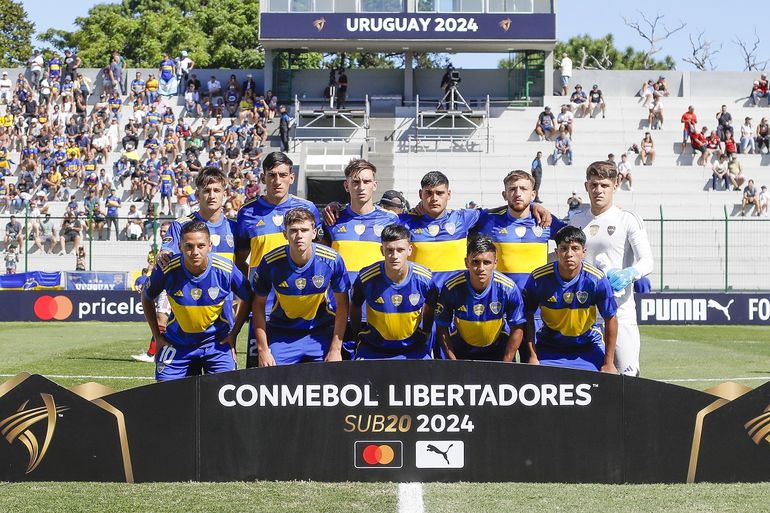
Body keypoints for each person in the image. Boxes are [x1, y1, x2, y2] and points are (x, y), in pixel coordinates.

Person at [235, 152, 321, 367]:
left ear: (292, 177)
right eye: (271, 175)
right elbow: (240, 257)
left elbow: (319, 250)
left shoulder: (307, 208)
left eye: (283, 175)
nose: (277, 181)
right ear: (263, 178)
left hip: (300, 296)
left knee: (306, 369)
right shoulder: (247, 212)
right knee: (261, 369)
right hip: (263, 301)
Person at [570, 160, 653, 376]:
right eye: (594, 184)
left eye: (604, 185)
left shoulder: (628, 219)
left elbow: (647, 261)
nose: (599, 190)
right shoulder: (576, 221)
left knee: (628, 379)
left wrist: (629, 274)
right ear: (586, 185)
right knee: (589, 381)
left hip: (620, 311)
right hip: (584, 314)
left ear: (615, 185)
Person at [141, 222, 252, 381]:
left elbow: (248, 297)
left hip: (216, 344)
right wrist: (157, 336)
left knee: (226, 392)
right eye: (189, 246)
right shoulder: (167, 269)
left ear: (210, 246)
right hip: (177, 344)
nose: (195, 252)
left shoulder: (226, 269)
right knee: (165, 395)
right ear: (179, 247)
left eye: (201, 245)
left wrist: (234, 333)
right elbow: (146, 296)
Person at [252, 207, 350, 366]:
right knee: (273, 377)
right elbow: (258, 304)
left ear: (314, 232)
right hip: (283, 334)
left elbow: (342, 305)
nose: (299, 236)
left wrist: (335, 349)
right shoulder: (271, 262)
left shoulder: (332, 260)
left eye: (304, 230)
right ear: (285, 234)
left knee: (331, 377)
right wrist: (263, 350)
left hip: (320, 333)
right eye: (293, 231)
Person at [523, 226, 618, 373]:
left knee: (604, 385)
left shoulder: (596, 279)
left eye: (575, 248)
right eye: (564, 248)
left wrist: (609, 363)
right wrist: (532, 356)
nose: (569, 254)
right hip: (550, 345)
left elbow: (611, 318)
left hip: (588, 344)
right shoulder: (539, 278)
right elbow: (527, 314)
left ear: (583, 252)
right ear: (557, 252)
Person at [349, 224, 437, 360]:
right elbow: (355, 306)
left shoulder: (425, 279)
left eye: (400, 250)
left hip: (413, 348)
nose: (394, 256)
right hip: (373, 349)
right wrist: (357, 334)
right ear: (382, 250)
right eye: (389, 250)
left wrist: (425, 333)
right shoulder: (366, 278)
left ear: (409, 250)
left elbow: (430, 307)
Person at [436, 235, 524, 361]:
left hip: (498, 349)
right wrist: (453, 361)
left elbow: (517, 328)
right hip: (462, 350)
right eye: (476, 262)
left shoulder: (508, 288)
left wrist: (506, 363)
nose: (481, 268)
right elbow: (441, 326)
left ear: (495, 263)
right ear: (467, 262)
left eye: (487, 262)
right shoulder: (452, 287)